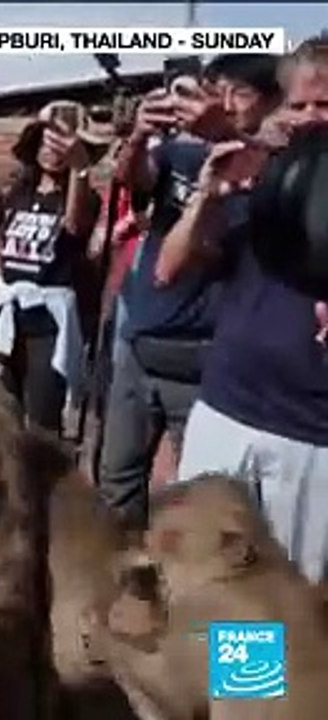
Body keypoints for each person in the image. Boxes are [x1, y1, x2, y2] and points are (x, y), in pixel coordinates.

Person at [165, 34, 328, 582]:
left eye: (324, 105)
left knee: (287, 594)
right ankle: (224, 673)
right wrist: (207, 193)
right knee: (203, 579)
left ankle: (267, 673)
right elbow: (171, 267)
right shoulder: (268, 178)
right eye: (298, 105)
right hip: (226, 409)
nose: (308, 119)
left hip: (309, 436)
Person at [96, 54, 282, 530]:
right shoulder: (180, 154)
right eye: (215, 89)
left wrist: (225, 138)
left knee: (197, 500)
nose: (221, 102)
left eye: (238, 93)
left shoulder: (268, 172)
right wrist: (139, 133)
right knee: (116, 481)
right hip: (140, 343)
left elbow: (204, 252)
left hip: (204, 357)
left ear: (270, 103)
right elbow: (129, 178)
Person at [0, 102, 103, 434]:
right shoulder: (16, 191)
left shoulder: (83, 195)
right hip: (7, 315)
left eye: (61, 145)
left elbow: (74, 226)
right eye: (46, 141)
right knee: (1, 412)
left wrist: (79, 170)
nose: (51, 151)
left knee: (43, 418)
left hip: (48, 323)